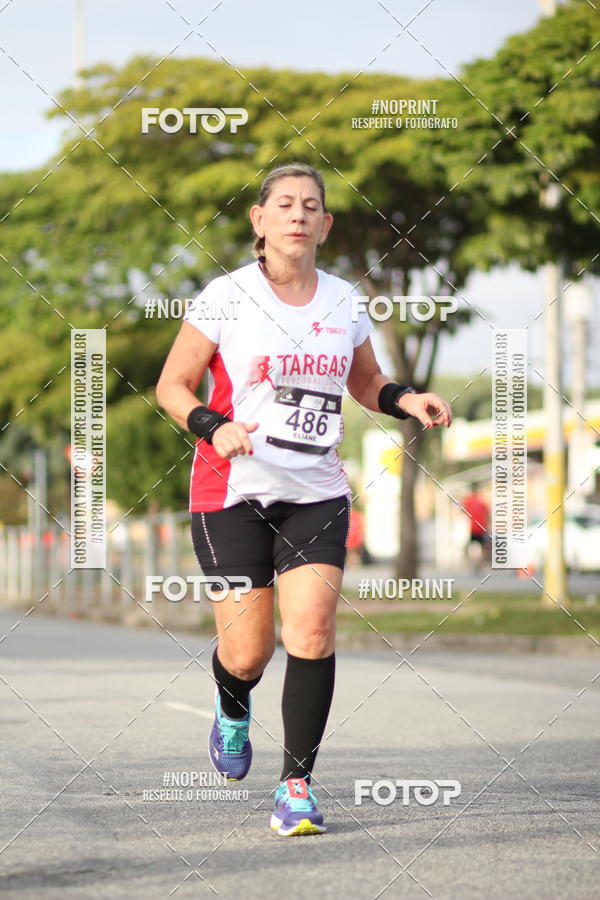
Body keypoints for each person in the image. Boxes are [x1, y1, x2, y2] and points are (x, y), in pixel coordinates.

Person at [156, 162, 452, 837]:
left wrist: (408, 401)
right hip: (231, 493)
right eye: (283, 204)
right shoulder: (225, 297)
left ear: (325, 224)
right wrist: (214, 425)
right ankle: (233, 707)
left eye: (310, 205)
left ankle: (296, 787)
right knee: (248, 654)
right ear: (259, 221)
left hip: (316, 495)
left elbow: (367, 380)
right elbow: (173, 384)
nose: (297, 213)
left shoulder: (344, 301)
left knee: (313, 630)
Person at [463, 484, 491, 567]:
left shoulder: (469, 502)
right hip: (480, 528)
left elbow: (463, 510)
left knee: (470, 546)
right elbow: (487, 515)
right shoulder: (482, 504)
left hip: (474, 528)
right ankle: (480, 561)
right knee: (482, 547)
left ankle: (471, 560)